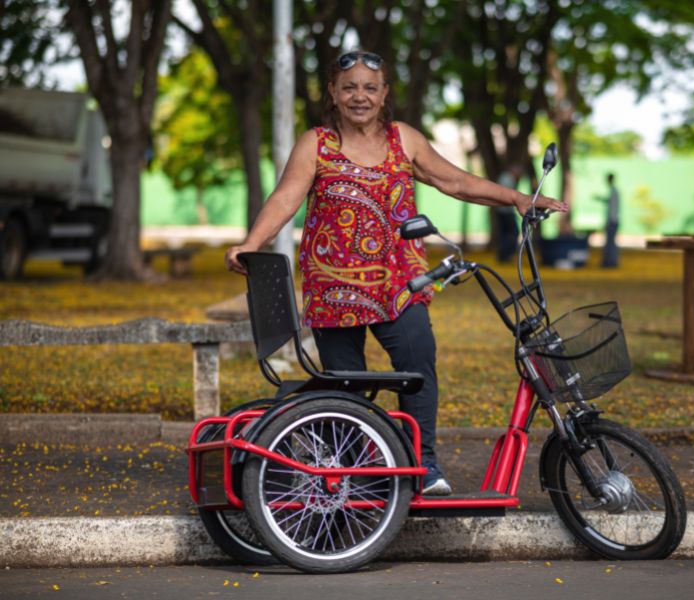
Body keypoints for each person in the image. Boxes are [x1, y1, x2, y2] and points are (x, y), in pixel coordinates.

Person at [225, 50, 567, 495]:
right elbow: (286, 197)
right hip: (333, 290)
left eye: (370, 87)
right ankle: (353, 479)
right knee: (347, 388)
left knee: (417, 364)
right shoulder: (316, 144)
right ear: (333, 93)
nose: (359, 96)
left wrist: (516, 198)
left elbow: (456, 181)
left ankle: (423, 466)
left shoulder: (403, 139)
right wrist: (253, 243)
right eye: (349, 88)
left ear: (384, 94)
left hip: (400, 284)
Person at [495, 165, 523, 262]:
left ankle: (504, 255)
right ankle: (506, 255)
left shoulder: (504, 177)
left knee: (505, 233)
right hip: (505, 211)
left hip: (502, 210)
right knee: (512, 233)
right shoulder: (508, 179)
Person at [598, 172, 620, 268]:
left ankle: (611, 261)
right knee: (610, 241)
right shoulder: (614, 191)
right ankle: (611, 261)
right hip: (613, 220)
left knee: (610, 242)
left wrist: (608, 221)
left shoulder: (614, 191)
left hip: (612, 220)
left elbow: (612, 208)